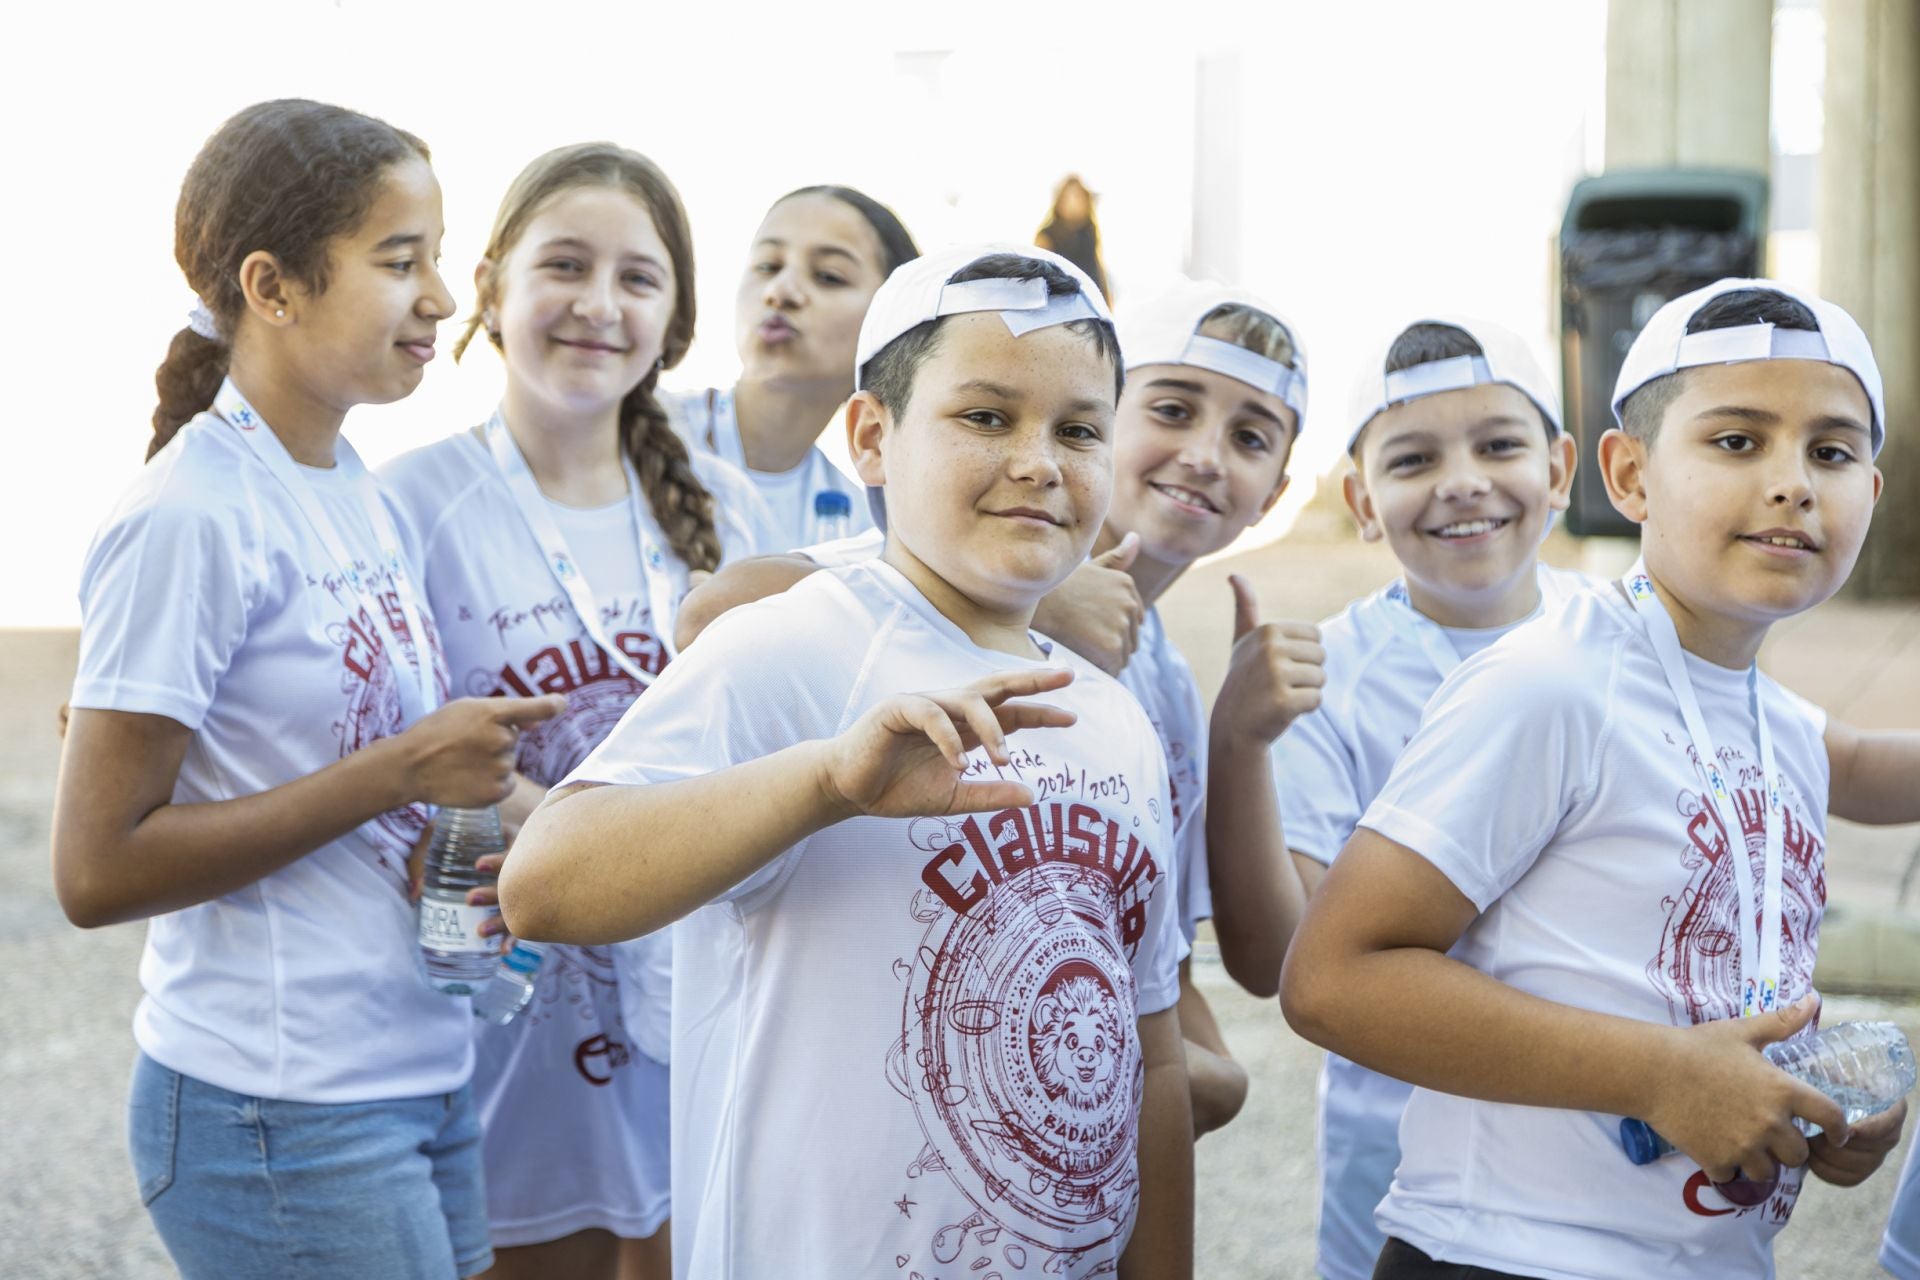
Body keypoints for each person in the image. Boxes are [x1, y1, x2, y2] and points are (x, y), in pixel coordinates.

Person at [501, 244, 1193, 1279]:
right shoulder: (797, 644)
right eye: (986, 416)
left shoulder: (1111, 715)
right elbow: (544, 882)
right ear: (873, 436)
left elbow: (1155, 1052)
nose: (1041, 461)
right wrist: (825, 782)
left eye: (1079, 428)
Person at [1281, 279, 1916, 1279]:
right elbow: (1330, 977)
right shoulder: (1552, 681)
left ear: (1870, 496)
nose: (1794, 481)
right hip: (1508, 1258)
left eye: (1832, 452)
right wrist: (1663, 1075)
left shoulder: (1764, 712)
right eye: (1737, 441)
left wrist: (1798, 1095)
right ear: (1627, 475)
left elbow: (1875, 770)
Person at [51, 99, 563, 1280]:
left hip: (419, 1075)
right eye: (401, 261)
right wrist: (401, 769)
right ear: (272, 286)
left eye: (438, 258)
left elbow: (389, 773)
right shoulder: (187, 514)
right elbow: (95, 870)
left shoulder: (351, 484)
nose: (442, 297)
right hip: (276, 1111)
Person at [671, 279, 1323, 1137]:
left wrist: (1240, 737)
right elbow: (716, 609)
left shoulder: (1159, 673)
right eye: (1171, 410)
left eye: (1248, 437)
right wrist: (1036, 605)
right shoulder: (961, 557)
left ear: (1274, 490)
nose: (1204, 454)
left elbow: (1206, 966)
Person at [382, 142, 770, 1280]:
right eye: (565, 264)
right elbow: (388, 749)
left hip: (696, 1010)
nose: (599, 305)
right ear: (493, 285)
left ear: (674, 318)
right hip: (499, 1024)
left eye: (638, 279)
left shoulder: (728, 509)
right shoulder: (410, 504)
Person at [1270, 317, 1590, 1279]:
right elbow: (1308, 943)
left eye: (1499, 445)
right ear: (1363, 498)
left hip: (1609, 1141)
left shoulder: (1629, 635)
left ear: (1561, 468)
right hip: (1401, 1157)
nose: (1463, 480)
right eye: (1415, 458)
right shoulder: (1324, 679)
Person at [662, 185, 917, 549]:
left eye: (828, 275)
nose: (780, 292)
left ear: (890, 322)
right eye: (767, 266)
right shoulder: (637, 431)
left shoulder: (863, 532)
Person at [1036, 174, 1109, 301]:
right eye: (1068, 198)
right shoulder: (1047, 235)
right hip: (1062, 305)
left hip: (1091, 301)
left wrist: (1106, 301)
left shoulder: (1090, 230)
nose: (1073, 203)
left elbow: (1097, 268)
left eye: (1077, 197)